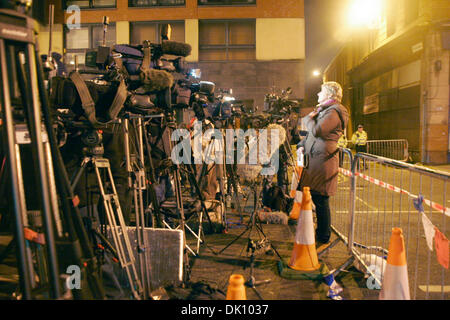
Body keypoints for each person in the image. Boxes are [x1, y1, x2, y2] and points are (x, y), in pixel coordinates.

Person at [298, 81, 349, 245]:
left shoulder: (335, 111)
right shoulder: (326, 110)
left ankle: (323, 235)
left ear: (330, 95)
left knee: (321, 197)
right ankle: (321, 231)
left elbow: (318, 131)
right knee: (316, 194)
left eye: (321, 92)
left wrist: (308, 119)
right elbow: (312, 135)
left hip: (323, 159)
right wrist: (302, 145)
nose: (318, 95)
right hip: (317, 158)